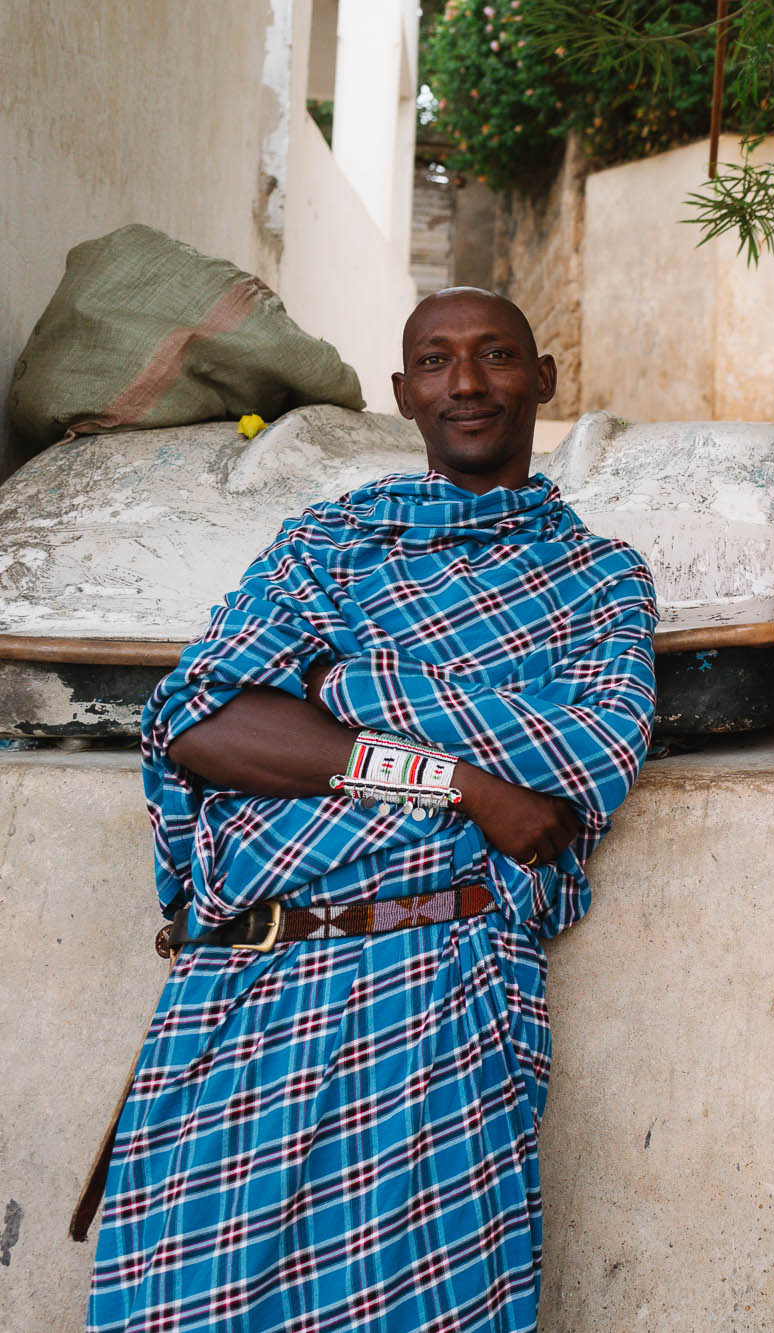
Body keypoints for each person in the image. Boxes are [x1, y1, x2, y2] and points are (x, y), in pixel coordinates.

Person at [80, 289, 659, 1332]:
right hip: (246, 979)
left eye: (495, 356)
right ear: (402, 392)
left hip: (441, 979)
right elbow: (201, 721)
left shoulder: (595, 576)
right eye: (435, 361)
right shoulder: (330, 544)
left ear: (543, 379)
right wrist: (460, 783)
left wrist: (344, 686)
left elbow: (582, 766)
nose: (466, 383)